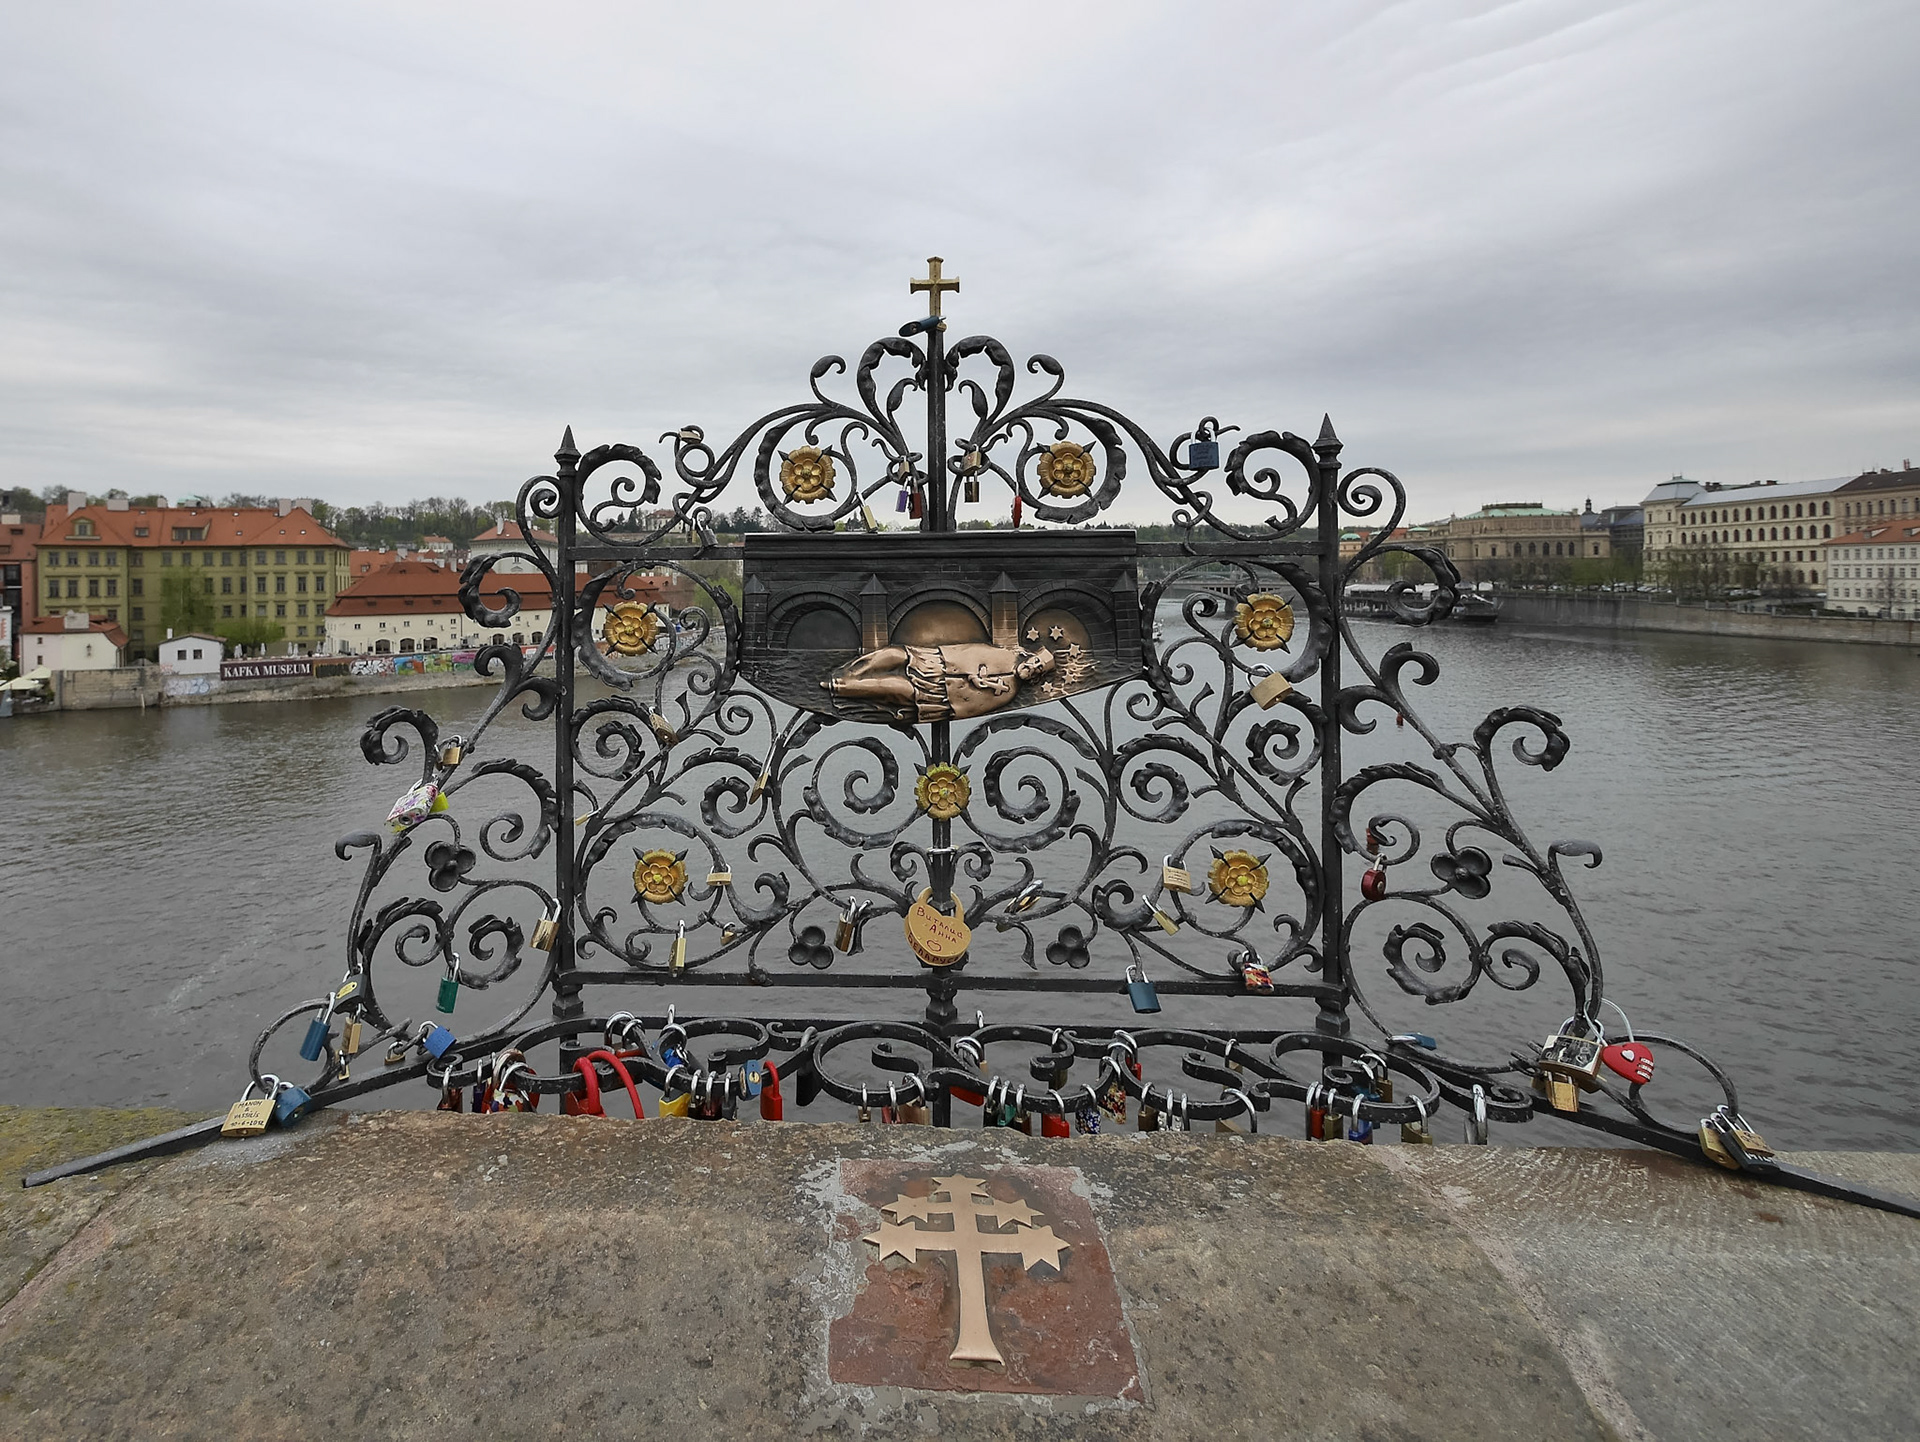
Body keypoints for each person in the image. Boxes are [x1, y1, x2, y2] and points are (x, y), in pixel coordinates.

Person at [823, 642, 1054, 722]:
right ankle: (850, 672)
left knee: (895, 688)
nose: (1032, 667)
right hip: (938, 662)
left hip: (940, 696)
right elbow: (971, 652)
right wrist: (972, 673)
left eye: (1037, 669)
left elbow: (971, 707)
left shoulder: (1010, 692)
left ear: (1037, 677)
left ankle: (842, 688)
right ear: (1029, 656)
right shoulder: (1007, 654)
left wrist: (978, 684)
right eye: (1035, 661)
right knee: (894, 654)